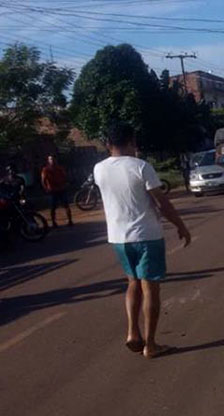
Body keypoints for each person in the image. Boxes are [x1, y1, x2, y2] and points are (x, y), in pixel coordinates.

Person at [92, 122, 191, 359]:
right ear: (132, 141)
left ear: (108, 144)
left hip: (117, 237)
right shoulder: (141, 167)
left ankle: (132, 332)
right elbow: (162, 202)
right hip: (146, 236)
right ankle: (151, 344)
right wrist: (181, 225)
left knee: (132, 283)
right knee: (151, 289)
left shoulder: (99, 169)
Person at [40, 155, 73, 227]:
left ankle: (70, 220)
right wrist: (46, 188)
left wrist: (66, 184)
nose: (52, 160)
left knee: (66, 205)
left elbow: (65, 177)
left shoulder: (59, 168)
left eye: (53, 159)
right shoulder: (46, 169)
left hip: (61, 189)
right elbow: (43, 180)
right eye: (51, 159)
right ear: (48, 161)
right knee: (53, 207)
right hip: (52, 190)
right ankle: (53, 222)